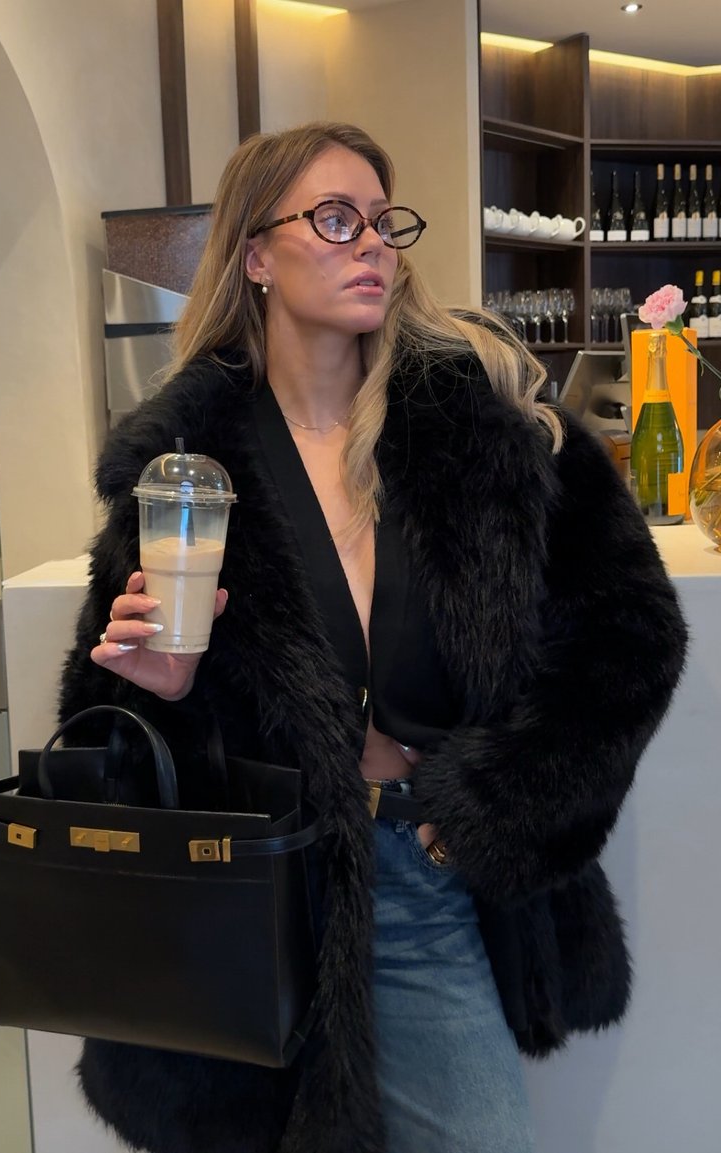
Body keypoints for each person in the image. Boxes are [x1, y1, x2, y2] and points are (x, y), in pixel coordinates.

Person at [59, 122, 687, 1153]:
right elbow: (107, 746)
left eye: (382, 223)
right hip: (243, 897)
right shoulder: (181, 467)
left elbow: (630, 639)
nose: (372, 246)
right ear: (255, 255)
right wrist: (155, 690)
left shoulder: (488, 427)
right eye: (334, 219)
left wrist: (485, 809)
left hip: (415, 883)